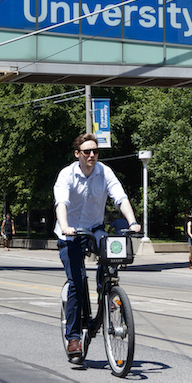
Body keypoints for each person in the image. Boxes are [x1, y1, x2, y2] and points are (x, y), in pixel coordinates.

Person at [54, 132, 141, 357]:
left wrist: (133, 222)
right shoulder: (66, 175)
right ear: (77, 154)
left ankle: (108, 292)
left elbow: (120, 198)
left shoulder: (104, 172)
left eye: (95, 151)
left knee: (112, 251)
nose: (92, 155)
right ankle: (73, 338)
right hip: (71, 232)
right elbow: (61, 202)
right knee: (76, 283)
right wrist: (65, 226)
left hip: (93, 228)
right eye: (87, 152)